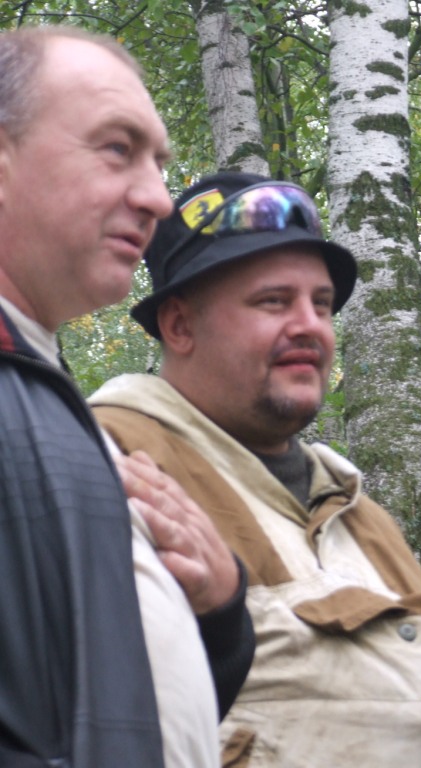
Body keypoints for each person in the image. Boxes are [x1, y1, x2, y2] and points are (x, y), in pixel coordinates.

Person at [90, 170, 421, 767]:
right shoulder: (115, 460)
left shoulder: (363, 518)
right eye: (273, 301)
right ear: (180, 326)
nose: (309, 325)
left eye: (320, 303)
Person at [0, 26, 254, 768]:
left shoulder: (38, 387)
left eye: (159, 164)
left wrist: (218, 619)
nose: (158, 199)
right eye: (117, 148)